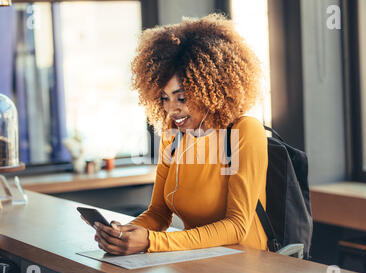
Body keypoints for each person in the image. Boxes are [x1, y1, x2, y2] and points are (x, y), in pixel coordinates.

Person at [93, 13, 269, 255]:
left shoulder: (244, 131)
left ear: (211, 90)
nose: (171, 109)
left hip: (245, 267)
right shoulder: (173, 137)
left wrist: (151, 242)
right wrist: (124, 233)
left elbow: (236, 227)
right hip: (194, 265)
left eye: (182, 98)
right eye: (164, 98)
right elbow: (158, 214)